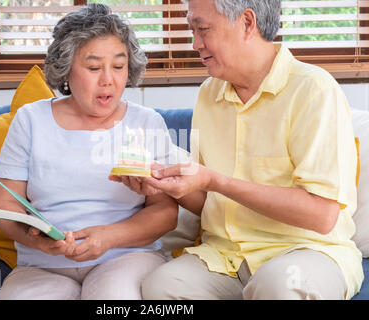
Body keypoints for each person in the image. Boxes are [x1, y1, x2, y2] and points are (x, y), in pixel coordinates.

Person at [117, 0, 363, 300]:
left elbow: (322, 215)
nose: (195, 44)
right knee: (162, 286)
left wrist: (216, 181)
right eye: (191, 30)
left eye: (203, 29)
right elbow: (208, 201)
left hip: (307, 251)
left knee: (281, 285)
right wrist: (161, 185)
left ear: (247, 23)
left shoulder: (313, 90)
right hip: (226, 256)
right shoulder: (210, 93)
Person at [0, 3, 178, 300]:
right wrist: (37, 241)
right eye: (93, 68)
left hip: (125, 257)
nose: (109, 80)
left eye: (118, 66)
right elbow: (5, 206)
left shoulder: (146, 122)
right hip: (43, 265)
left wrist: (109, 237)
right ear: (66, 69)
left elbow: (165, 212)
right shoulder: (30, 119)